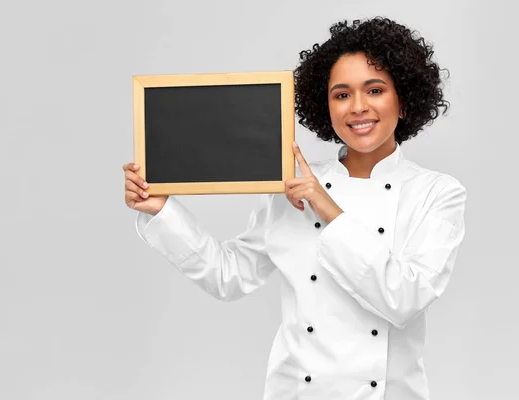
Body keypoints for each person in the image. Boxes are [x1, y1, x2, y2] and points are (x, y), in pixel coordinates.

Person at [123, 17, 467, 400]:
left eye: (374, 90)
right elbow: (229, 275)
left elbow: (404, 299)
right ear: (326, 108)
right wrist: (161, 210)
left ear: (404, 100)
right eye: (341, 94)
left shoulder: (436, 193)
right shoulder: (290, 187)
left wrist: (327, 208)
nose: (358, 107)